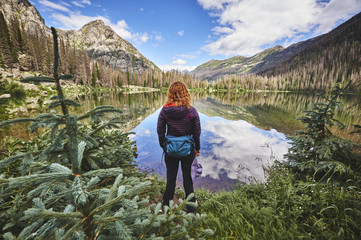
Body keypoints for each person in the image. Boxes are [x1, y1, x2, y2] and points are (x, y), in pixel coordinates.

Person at [157, 81, 201, 213]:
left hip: (170, 149)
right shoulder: (192, 111)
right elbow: (197, 132)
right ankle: (191, 207)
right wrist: (197, 148)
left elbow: (160, 131)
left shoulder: (165, 110)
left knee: (171, 177)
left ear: (170, 94)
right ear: (186, 94)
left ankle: (166, 206)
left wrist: (163, 145)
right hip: (187, 150)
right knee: (188, 178)